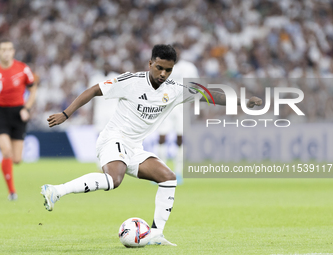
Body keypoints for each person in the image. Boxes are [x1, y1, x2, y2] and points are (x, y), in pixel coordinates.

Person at [41, 44, 262, 246]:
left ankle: (156, 233)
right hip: (113, 138)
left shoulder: (175, 89)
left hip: (135, 147)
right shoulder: (131, 82)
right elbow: (93, 90)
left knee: (168, 178)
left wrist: (243, 102)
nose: (163, 74)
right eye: (159, 68)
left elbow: (209, 95)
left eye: (168, 70)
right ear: (150, 64)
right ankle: (56, 191)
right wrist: (65, 114)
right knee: (113, 180)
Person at [0, 39, 37, 201]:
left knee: (17, 159)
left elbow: (33, 89)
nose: (6, 52)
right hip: (1, 113)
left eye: (9, 49)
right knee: (6, 151)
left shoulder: (23, 69)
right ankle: (12, 192)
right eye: (3, 49)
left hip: (19, 114)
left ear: (13, 52)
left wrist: (26, 108)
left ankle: (11, 188)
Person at [156, 42, 199, 184]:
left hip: (182, 107)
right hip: (166, 106)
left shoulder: (189, 68)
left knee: (180, 139)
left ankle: (179, 172)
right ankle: (160, 172)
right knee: (162, 137)